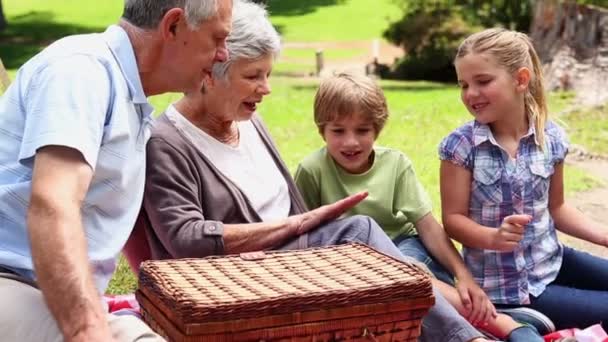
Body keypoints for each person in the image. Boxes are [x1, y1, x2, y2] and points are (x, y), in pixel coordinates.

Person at [132, 2, 488, 341]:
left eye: (268, 74)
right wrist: (293, 226)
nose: (266, 88)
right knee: (359, 232)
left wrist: (303, 231)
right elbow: (184, 237)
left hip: (296, 266)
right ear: (211, 72)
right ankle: (467, 335)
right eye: (254, 75)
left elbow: (289, 205)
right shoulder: (167, 142)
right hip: (240, 280)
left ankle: (463, 324)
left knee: (379, 258)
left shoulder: (249, 121)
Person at [0, 0, 233, 341]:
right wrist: (88, 330)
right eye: (217, 38)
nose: (224, 54)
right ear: (173, 27)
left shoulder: (124, 92)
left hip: (43, 292)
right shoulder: (81, 71)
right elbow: (53, 203)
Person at [293, 71, 543, 341]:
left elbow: (427, 225)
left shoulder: (395, 165)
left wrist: (464, 276)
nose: (351, 142)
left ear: (376, 129)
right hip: (348, 261)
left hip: (402, 244)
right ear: (322, 130)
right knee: (393, 295)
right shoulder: (312, 170)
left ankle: (503, 324)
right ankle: (494, 320)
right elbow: (306, 236)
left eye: (362, 130)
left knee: (407, 270)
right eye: (338, 131)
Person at [439, 27, 608, 331]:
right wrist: (492, 238)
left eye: (483, 81)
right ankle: (520, 318)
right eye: (464, 85)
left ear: (521, 79)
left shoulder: (551, 137)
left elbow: (557, 208)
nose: (470, 94)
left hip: (554, 262)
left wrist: (604, 236)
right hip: (511, 289)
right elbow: (452, 219)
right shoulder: (460, 147)